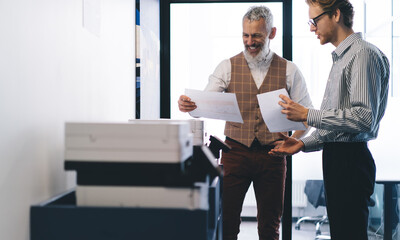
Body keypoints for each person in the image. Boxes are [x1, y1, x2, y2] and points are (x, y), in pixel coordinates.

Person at [178, 6, 312, 240]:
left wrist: (296, 140)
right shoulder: (227, 66)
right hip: (235, 152)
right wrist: (190, 106)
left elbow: (306, 115)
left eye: (257, 36)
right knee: (227, 221)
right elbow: (204, 102)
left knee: (270, 226)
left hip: (274, 155)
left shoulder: (290, 70)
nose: (250, 42)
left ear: (272, 33)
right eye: (245, 35)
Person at [269, 0, 390, 239]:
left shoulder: (362, 54)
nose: (312, 28)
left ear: (336, 15)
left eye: (315, 21)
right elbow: (339, 125)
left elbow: (363, 118)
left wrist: (307, 115)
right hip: (338, 158)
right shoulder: (342, 58)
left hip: (351, 161)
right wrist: (303, 143)